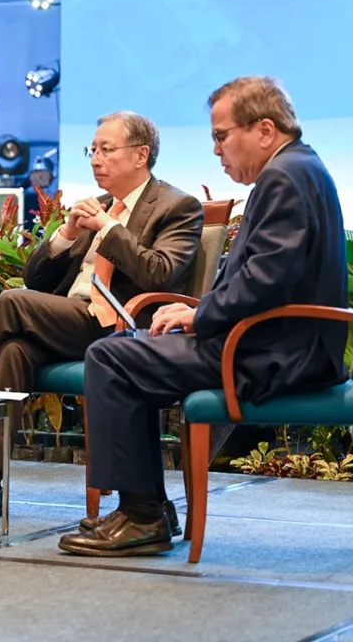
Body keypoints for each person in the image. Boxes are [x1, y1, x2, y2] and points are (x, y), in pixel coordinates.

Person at [60, 76, 347, 557]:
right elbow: (266, 274)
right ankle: (146, 508)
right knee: (124, 351)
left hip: (277, 353)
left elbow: (267, 277)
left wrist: (200, 316)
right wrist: (196, 310)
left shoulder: (285, 176)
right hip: (277, 341)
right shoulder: (300, 168)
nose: (215, 150)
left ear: (264, 129)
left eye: (220, 135)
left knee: (112, 358)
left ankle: (143, 516)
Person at [0, 111, 204, 524]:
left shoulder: (176, 206)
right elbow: (35, 279)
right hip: (72, 319)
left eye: (106, 150)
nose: (95, 159)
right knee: (14, 350)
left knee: (12, 302)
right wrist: (66, 232)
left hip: (121, 325)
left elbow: (160, 271)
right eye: (92, 150)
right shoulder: (96, 205)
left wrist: (108, 229)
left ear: (141, 155)